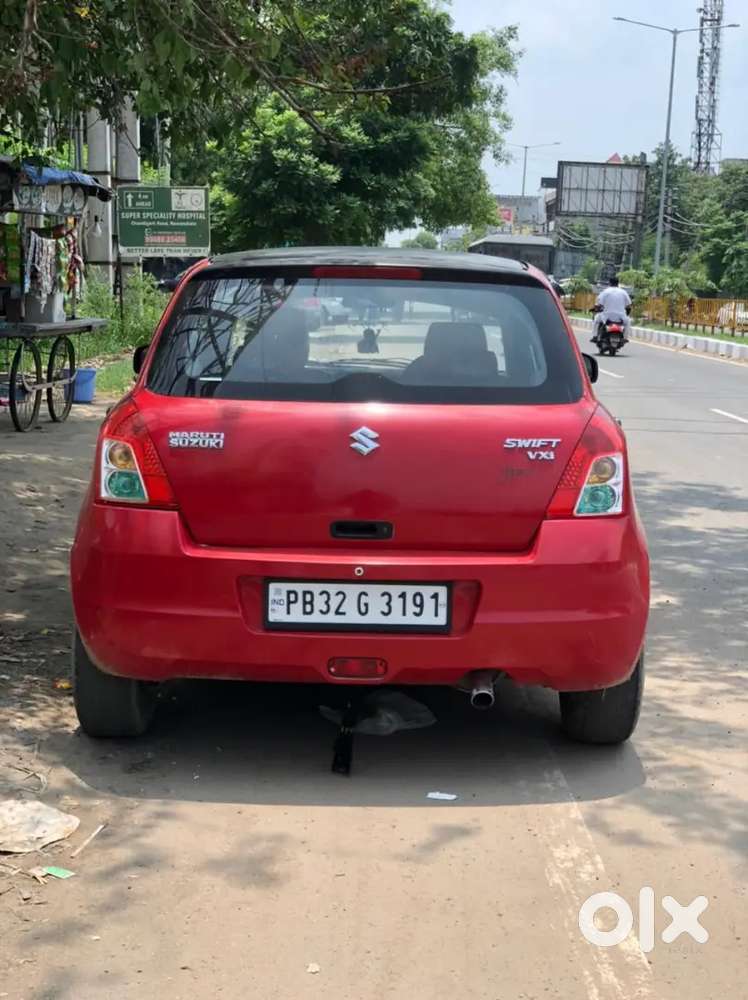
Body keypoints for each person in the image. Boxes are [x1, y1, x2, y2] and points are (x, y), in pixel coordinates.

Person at [592, 276, 631, 344]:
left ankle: (595, 336)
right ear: (618, 283)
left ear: (609, 283)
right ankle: (625, 338)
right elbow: (628, 305)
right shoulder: (623, 292)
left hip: (607, 317)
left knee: (596, 319)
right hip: (620, 317)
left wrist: (596, 308)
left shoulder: (605, 291)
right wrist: (626, 313)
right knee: (628, 322)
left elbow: (599, 304)